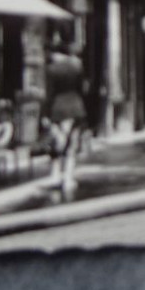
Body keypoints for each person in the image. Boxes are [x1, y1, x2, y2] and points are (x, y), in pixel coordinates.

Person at [46, 30, 88, 196]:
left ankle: (55, 175)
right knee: (71, 144)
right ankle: (68, 178)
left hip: (57, 108)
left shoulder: (51, 69)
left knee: (56, 143)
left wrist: (46, 113)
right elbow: (82, 87)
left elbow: (49, 93)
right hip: (75, 106)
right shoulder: (76, 65)